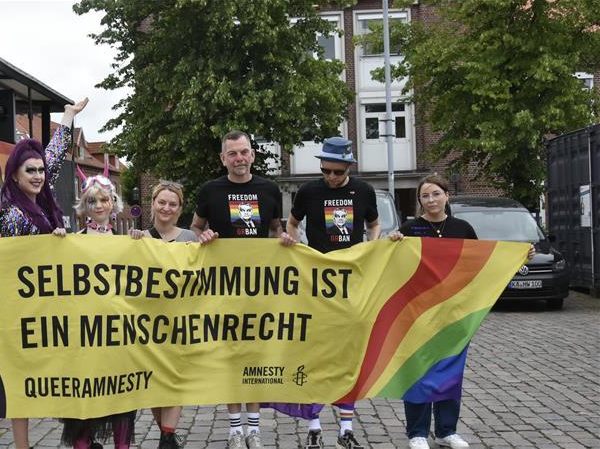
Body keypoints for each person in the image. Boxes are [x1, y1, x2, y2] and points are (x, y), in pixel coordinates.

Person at [388, 174, 533, 449]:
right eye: (425, 196)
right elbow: (393, 266)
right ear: (420, 201)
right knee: (417, 372)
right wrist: (392, 242)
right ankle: (417, 433)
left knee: (449, 372)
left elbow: (480, 263)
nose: (431, 200)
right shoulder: (409, 229)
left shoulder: (462, 228)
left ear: (447, 196)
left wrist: (519, 256)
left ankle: (446, 431)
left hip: (454, 315)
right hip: (418, 314)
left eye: (436, 194)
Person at [0, 98, 87, 448]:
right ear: (15, 175)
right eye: (29, 170)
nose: (37, 176)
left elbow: (54, 160)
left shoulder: (43, 204)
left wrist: (68, 117)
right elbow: (4, 263)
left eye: (40, 171)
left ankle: (79, 436)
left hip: (52, 305)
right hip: (24, 310)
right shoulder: (12, 214)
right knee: (23, 381)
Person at [281, 136, 380, 449]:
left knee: (349, 354)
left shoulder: (364, 191)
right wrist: (297, 246)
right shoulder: (309, 191)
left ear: (349, 167)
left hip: (351, 282)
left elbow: (374, 225)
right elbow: (292, 223)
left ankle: (346, 427)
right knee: (315, 354)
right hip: (317, 282)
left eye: (338, 172)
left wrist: (372, 247)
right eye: (326, 171)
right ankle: (314, 426)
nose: (331, 177)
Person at [190, 130, 287, 449]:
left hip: (260, 288)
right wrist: (202, 237)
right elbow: (195, 226)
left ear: (252, 155)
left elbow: (276, 230)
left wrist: (285, 240)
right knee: (231, 357)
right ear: (223, 159)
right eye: (232, 154)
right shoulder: (210, 190)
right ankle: (235, 429)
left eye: (244, 152)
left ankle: (254, 428)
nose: (239, 158)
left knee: (255, 356)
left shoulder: (270, 189)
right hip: (223, 289)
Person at [60, 167, 135, 449]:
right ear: (84, 206)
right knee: (84, 400)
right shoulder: (72, 241)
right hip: (84, 336)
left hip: (119, 336)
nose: (99, 206)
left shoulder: (127, 242)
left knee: (122, 397)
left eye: (104, 199)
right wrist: (56, 243)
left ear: (113, 202)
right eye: (93, 201)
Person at [129, 181, 198, 449]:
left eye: (172, 204)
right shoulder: (141, 238)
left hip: (181, 323)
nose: (166, 208)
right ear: (153, 204)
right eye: (162, 202)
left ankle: (166, 437)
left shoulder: (189, 238)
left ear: (179, 208)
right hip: (149, 324)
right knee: (155, 385)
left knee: (175, 381)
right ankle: (167, 434)